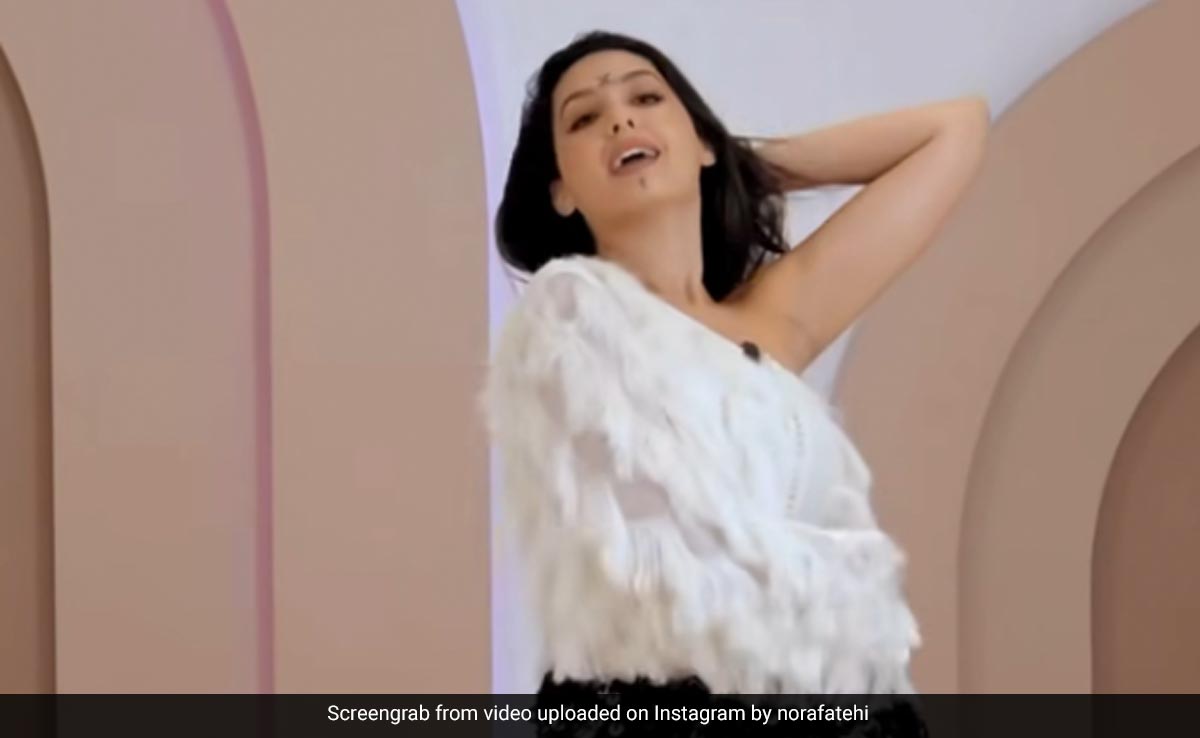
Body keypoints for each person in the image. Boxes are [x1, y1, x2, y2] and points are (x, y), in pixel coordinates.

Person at [483, 29, 988, 736]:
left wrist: (735, 160)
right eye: (585, 118)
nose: (620, 119)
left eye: (645, 98)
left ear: (700, 140)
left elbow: (955, 130)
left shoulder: (775, 320)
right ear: (561, 191)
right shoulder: (568, 315)